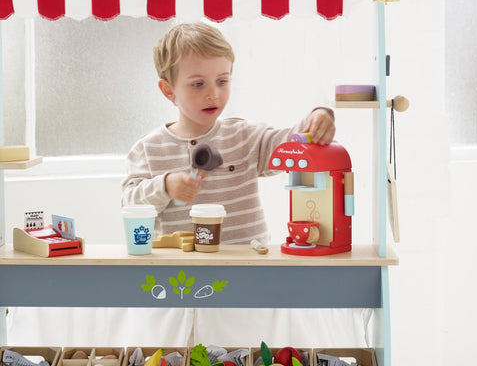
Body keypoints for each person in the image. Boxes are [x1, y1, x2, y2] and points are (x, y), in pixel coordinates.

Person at [121, 22, 336, 244]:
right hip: (184, 271)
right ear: (168, 89)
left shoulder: (244, 136)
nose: (213, 94)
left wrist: (319, 116)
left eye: (222, 81)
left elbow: (291, 142)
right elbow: (130, 205)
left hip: (249, 266)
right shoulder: (148, 149)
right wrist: (164, 186)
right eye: (198, 84)